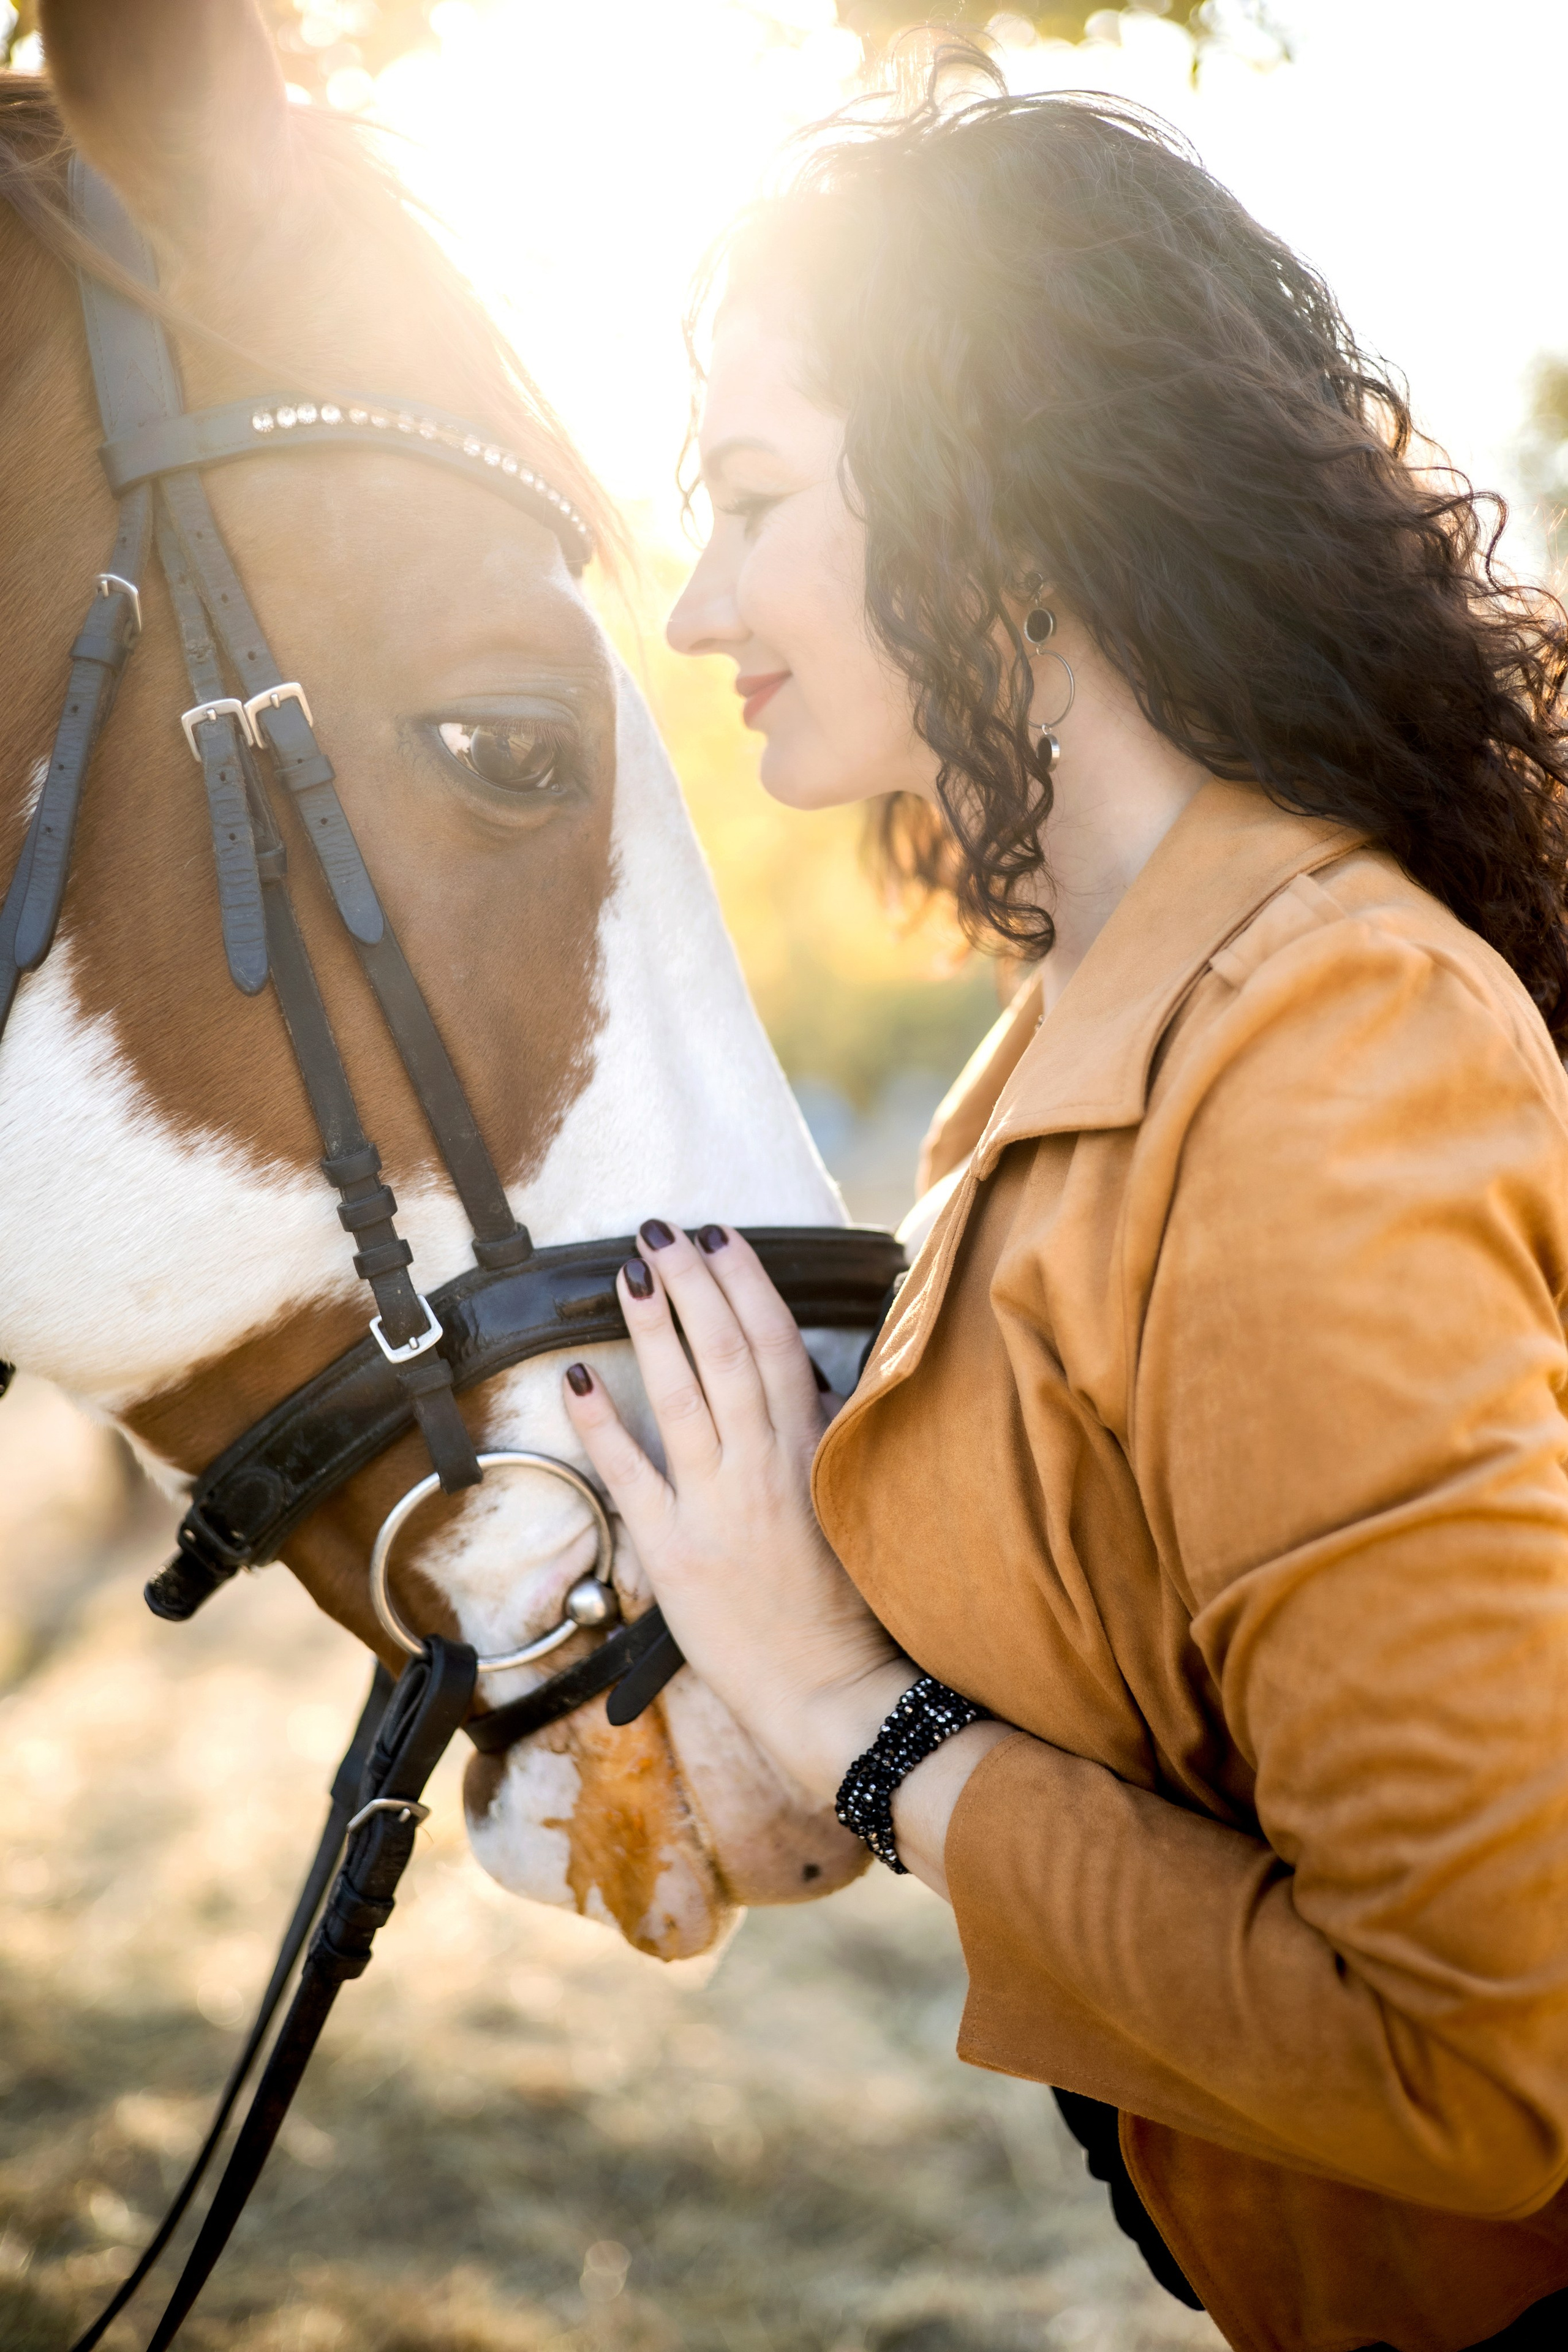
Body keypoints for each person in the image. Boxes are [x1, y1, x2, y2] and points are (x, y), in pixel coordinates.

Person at [561, 51, 1568, 2352]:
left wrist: (849, 1708)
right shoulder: (1081, 1036)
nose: (697, 607)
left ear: (1000, 511)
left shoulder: (1326, 1051)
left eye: (749, 499)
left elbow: (1483, 2062)